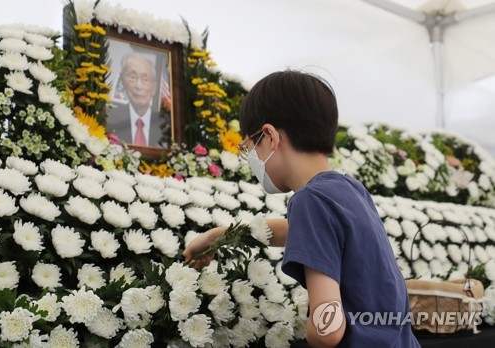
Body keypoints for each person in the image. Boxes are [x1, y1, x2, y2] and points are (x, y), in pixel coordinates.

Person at [183, 70, 420, 347]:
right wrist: (218, 236)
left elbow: (327, 329)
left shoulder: (310, 200)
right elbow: (300, 231)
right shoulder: (348, 189)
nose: (251, 160)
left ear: (270, 136)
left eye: (249, 148)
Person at [107, 52, 170, 147]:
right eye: (132, 77)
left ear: (154, 87)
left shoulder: (166, 124)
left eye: (145, 79)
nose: (138, 86)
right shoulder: (110, 118)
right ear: (123, 81)